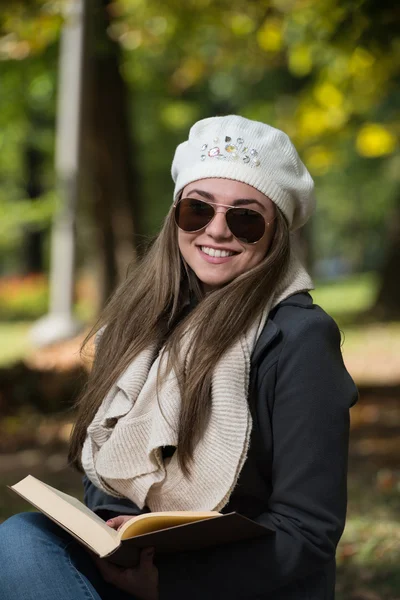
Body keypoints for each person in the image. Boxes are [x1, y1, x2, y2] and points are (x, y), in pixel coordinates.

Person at [0, 115, 358, 600]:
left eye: (245, 218)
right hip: (137, 569)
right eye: (197, 210)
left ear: (275, 234)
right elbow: (108, 468)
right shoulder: (137, 323)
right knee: (21, 538)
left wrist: (168, 583)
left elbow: (307, 529)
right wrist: (119, 532)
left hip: (232, 587)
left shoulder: (300, 338)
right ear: (176, 215)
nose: (217, 231)